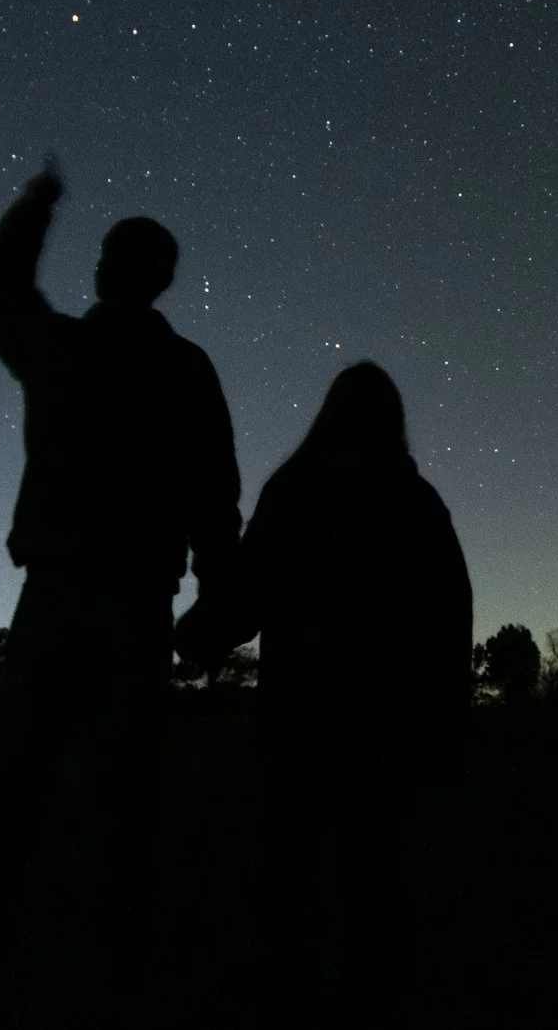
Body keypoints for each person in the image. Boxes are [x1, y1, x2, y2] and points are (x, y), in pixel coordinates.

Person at [0, 154, 242, 981]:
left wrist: (34, 205)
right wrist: (218, 599)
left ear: (105, 270)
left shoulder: (61, 350)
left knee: (20, 777)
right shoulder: (185, 369)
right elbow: (214, 496)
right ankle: (120, 946)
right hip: (135, 604)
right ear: (162, 280)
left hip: (55, 594)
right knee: (125, 785)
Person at [178, 361, 472, 1028]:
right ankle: (375, 996)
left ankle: (288, 992)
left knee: (288, 872)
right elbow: (451, 616)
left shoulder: (297, 488)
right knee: (376, 871)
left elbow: (250, 587)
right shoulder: (414, 499)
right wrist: (446, 723)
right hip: (386, 726)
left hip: (299, 719)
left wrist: (199, 632)